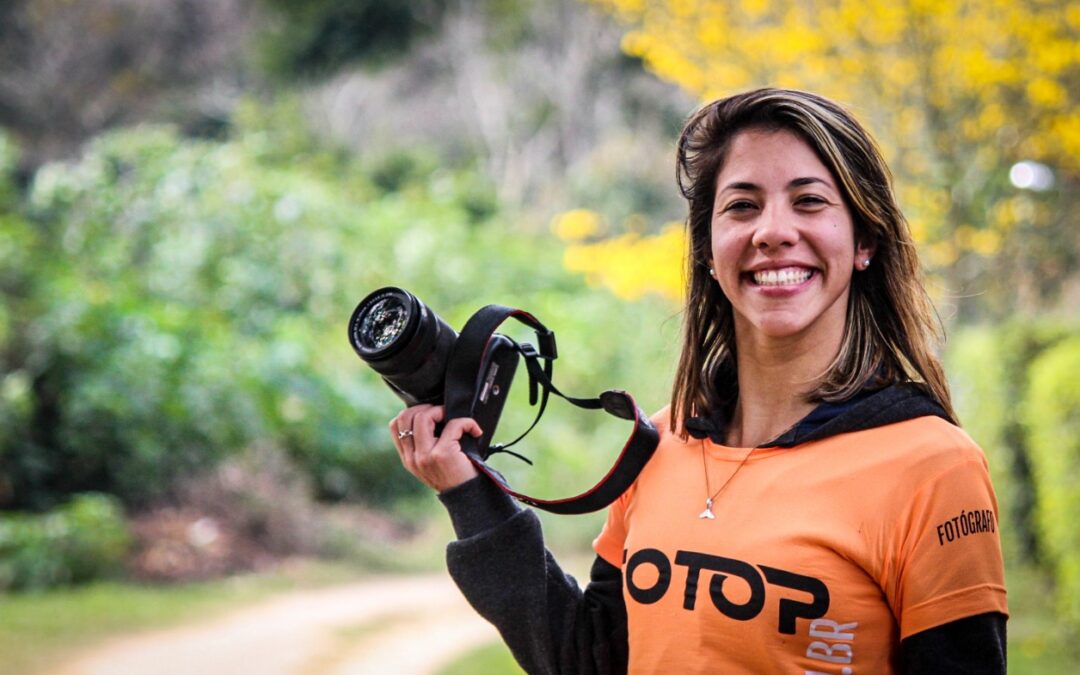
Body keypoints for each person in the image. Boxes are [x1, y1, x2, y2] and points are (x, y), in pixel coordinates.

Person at [389, 88, 1008, 674]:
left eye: (810, 200)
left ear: (864, 239)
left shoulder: (932, 466)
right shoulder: (661, 442)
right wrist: (471, 496)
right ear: (710, 251)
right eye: (741, 206)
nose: (771, 231)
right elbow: (587, 659)